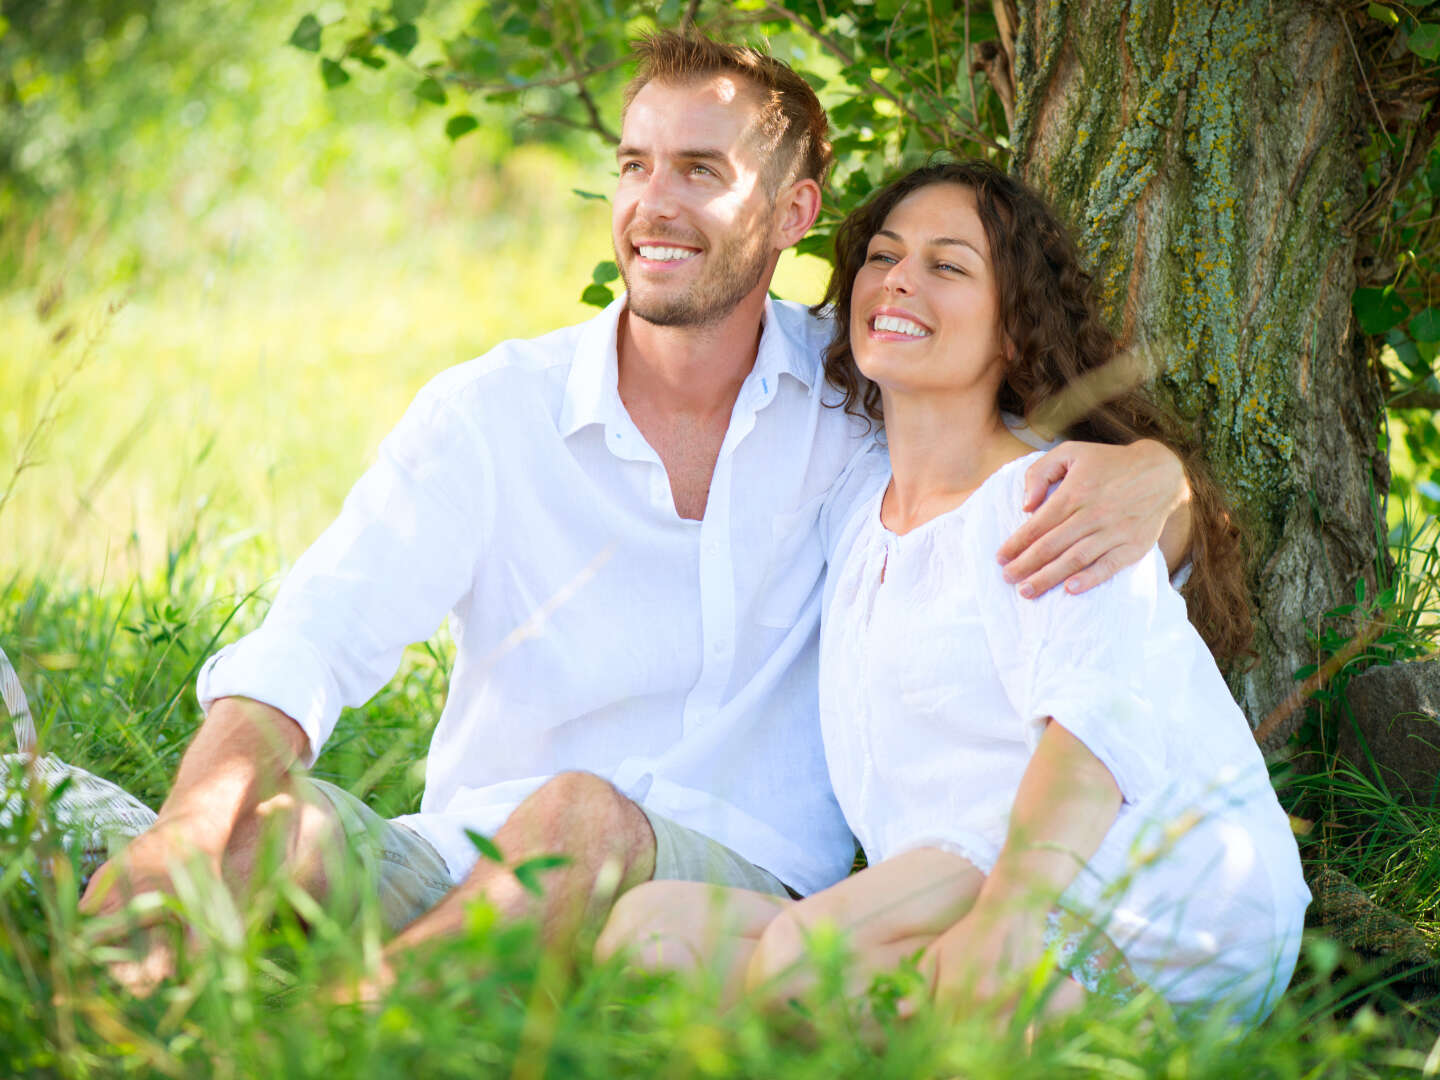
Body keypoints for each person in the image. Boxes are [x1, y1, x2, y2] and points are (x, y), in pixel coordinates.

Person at [76, 37, 1195, 997]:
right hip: (472, 859)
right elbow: (312, 640)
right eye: (634, 165)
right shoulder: (494, 410)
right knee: (264, 828)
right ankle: (93, 1015)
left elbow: (1055, 511)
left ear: (794, 210)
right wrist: (193, 822)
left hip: (729, 889)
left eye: (700, 170)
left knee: (581, 820)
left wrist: (1161, 479)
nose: (654, 204)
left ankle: (364, 1038)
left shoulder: (863, 408)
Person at [597, 162, 1309, 1025]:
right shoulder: (854, 515)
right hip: (950, 881)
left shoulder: (1057, 497)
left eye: (948, 265)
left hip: (1124, 885)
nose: (899, 278)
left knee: (797, 959)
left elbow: (1098, 736)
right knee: (652, 936)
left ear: (1014, 331)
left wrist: (1007, 921)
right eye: (884, 255)